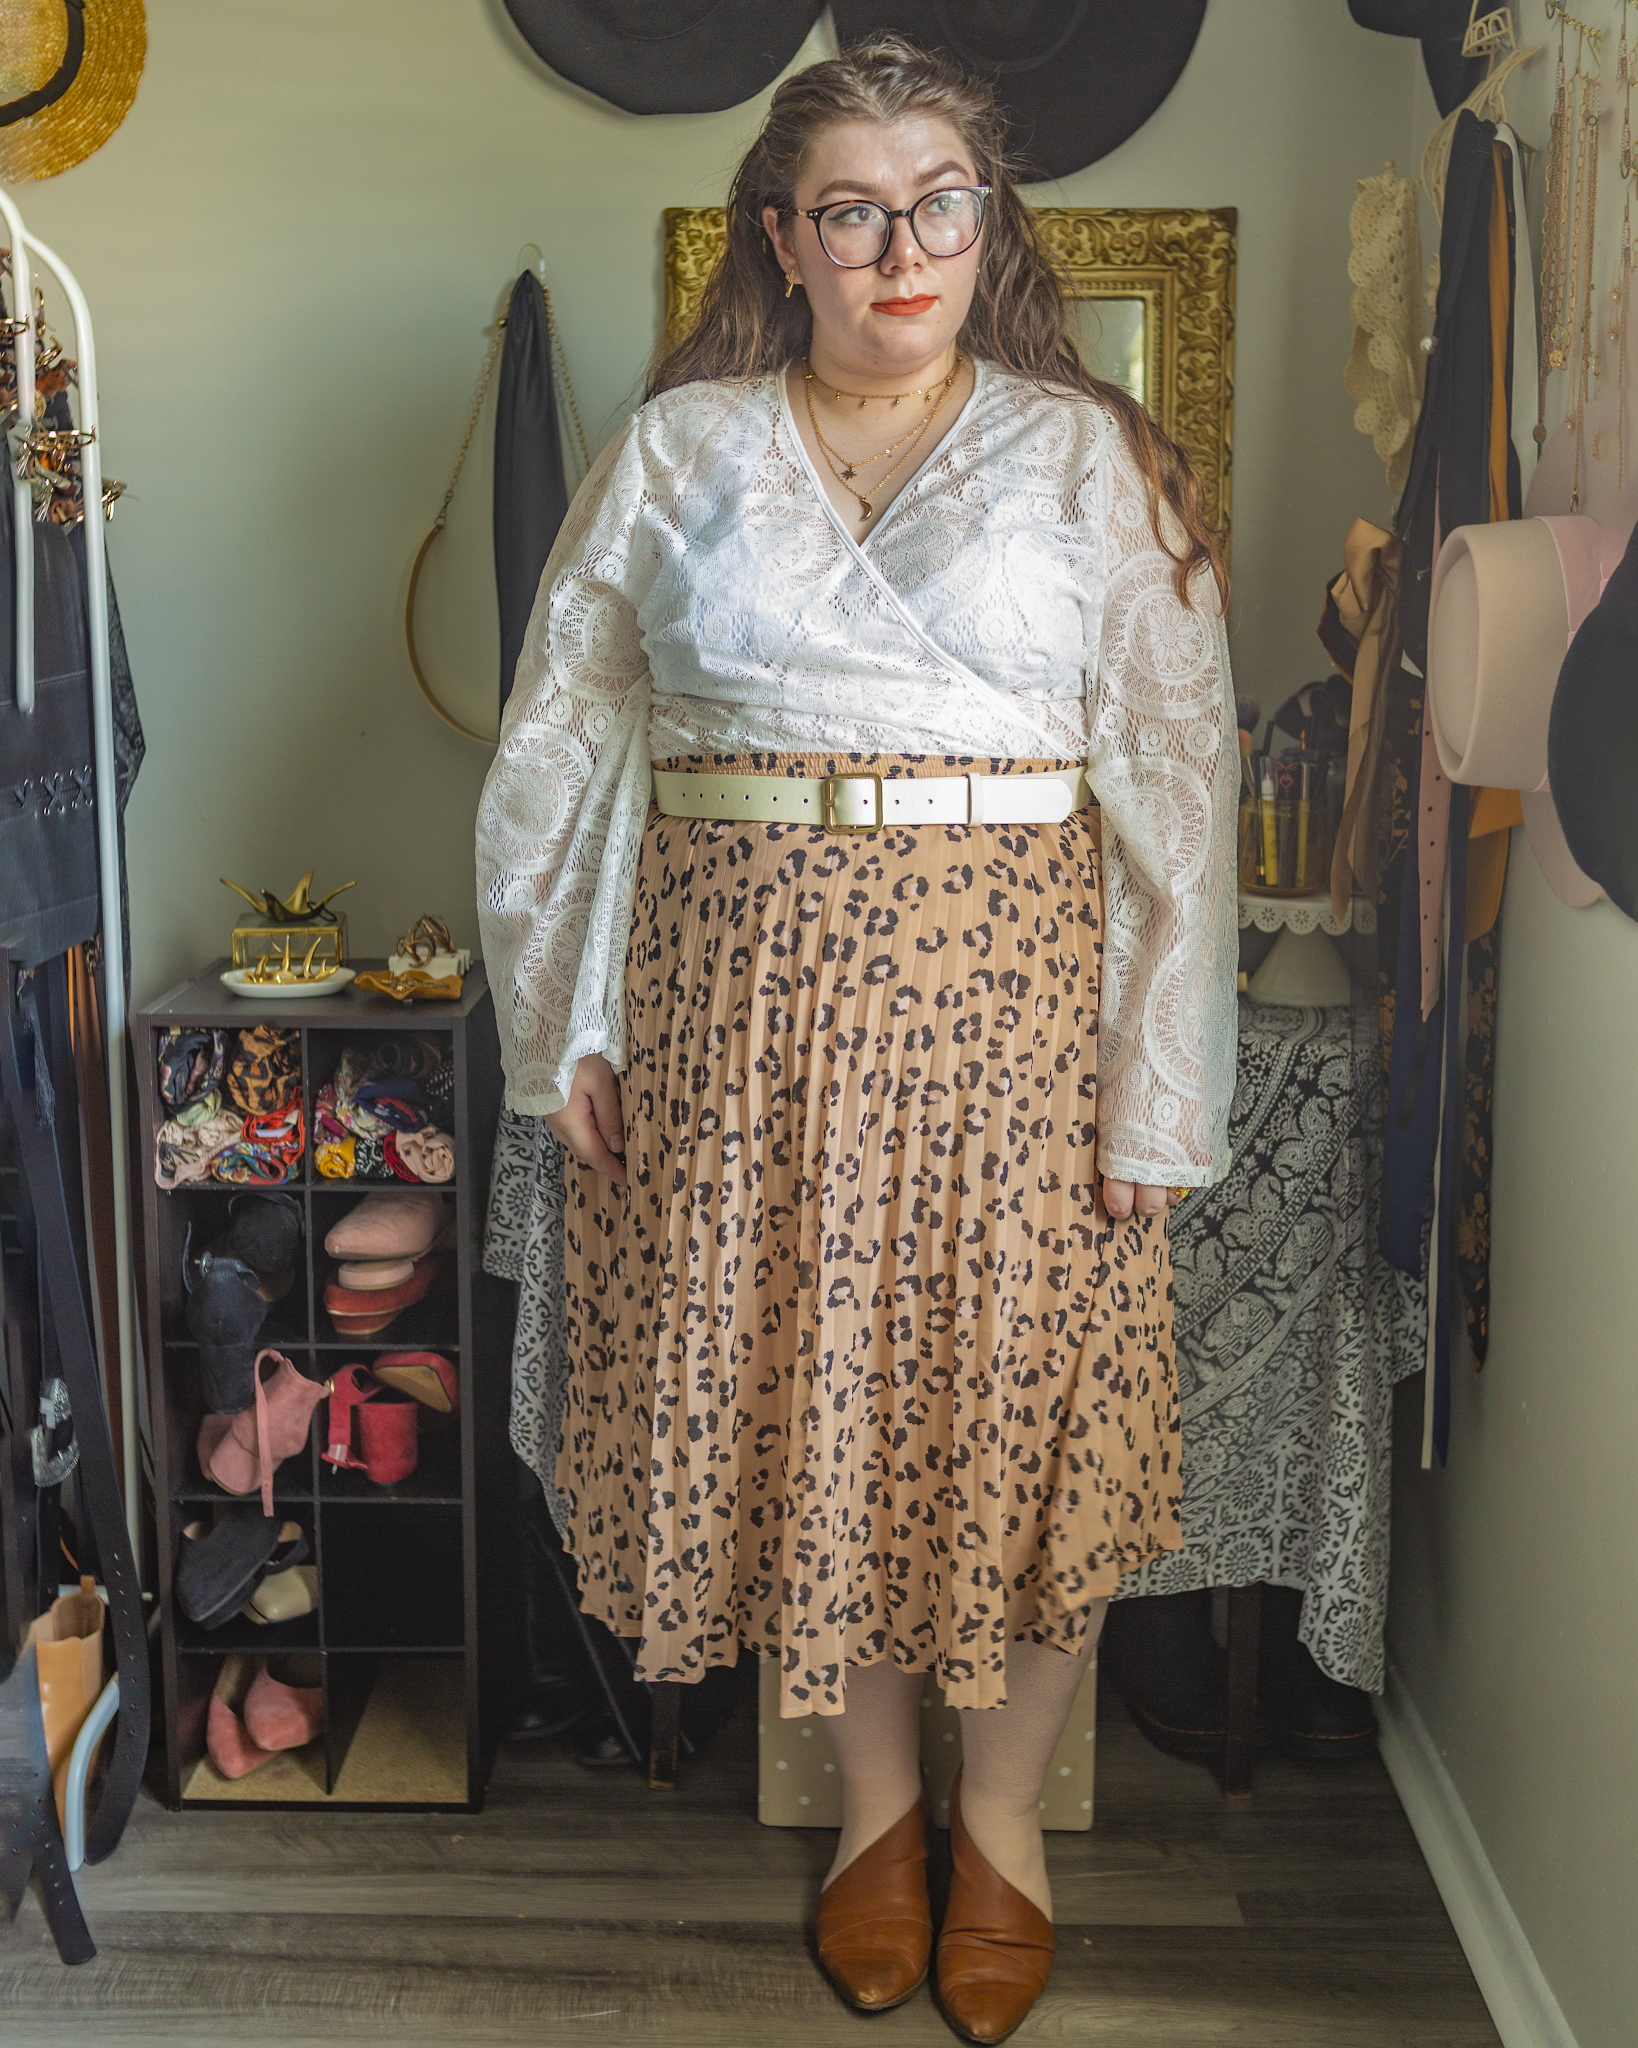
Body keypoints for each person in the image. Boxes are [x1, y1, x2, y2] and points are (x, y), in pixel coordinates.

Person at [476, 34, 1235, 2044]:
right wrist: (563, 1020)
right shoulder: (680, 452)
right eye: (852, 209)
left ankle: (1006, 1829)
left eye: (942, 202)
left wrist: (1159, 1091)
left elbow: (1174, 789)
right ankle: (873, 1818)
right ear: (782, 238)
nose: (903, 246)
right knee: (827, 1423)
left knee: (1014, 1426)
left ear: (992, 226)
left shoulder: (1095, 459)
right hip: (737, 1030)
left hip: (1014, 1024)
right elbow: (560, 745)